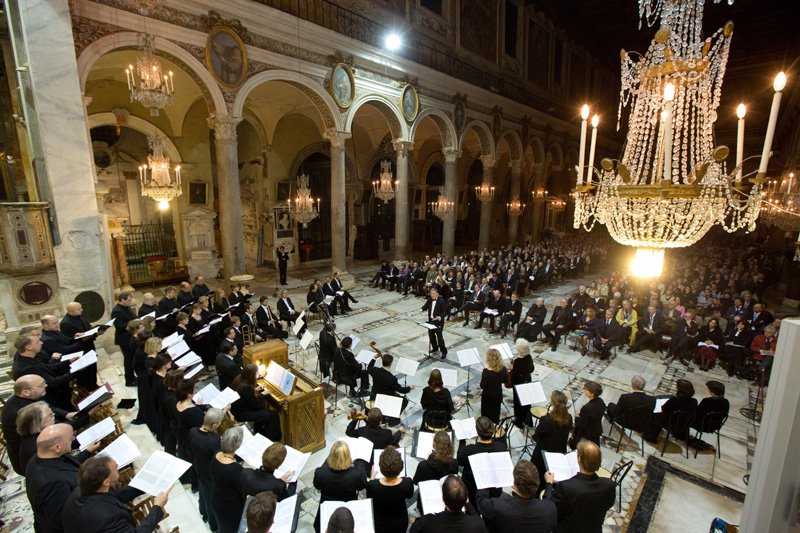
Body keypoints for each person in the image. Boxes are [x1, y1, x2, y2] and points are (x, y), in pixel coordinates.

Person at [61, 455, 170, 533]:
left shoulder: (81, 490)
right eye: (116, 468)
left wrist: (146, 484)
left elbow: (115, 495)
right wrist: (157, 507)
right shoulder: (109, 518)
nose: (118, 468)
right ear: (106, 482)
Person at [25, 424, 93, 532]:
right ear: (57, 447)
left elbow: (70, 466)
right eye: (71, 438)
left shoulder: (43, 455)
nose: (74, 439)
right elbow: (64, 520)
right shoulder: (51, 483)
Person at [543, 439, 615, 532]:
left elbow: (549, 509)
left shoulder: (566, 487)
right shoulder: (608, 485)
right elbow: (608, 504)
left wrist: (549, 483)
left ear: (579, 459)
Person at [476, 460, 558, 533]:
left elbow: (481, 503)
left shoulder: (498, 506)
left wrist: (486, 479)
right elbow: (548, 501)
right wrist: (549, 484)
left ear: (514, 484)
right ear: (538, 482)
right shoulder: (550, 508)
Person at [313, 441, 368, 532]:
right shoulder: (355, 474)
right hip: (348, 508)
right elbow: (362, 485)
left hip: (327, 504)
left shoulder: (320, 473)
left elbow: (317, 486)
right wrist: (359, 463)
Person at [12, 334, 77, 412]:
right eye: (37, 342)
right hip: (51, 399)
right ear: (28, 347)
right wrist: (75, 371)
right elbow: (53, 383)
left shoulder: (27, 357)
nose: (41, 343)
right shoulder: (27, 368)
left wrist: (69, 361)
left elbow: (48, 367)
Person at [458, 416, 508, 505]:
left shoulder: (470, 450)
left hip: (472, 488)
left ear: (477, 432)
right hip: (494, 489)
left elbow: (460, 461)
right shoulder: (502, 447)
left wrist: (462, 441)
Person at [410, 475, 487, 532]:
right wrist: (468, 504)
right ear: (466, 498)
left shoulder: (428, 521)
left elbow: (413, 530)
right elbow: (477, 518)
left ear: (443, 498)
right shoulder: (477, 524)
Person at [189, 408, 223, 530]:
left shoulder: (193, 431)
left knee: (203, 491)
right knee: (211, 497)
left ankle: (203, 512)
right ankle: (214, 525)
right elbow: (218, 459)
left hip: (198, 466)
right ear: (214, 425)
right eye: (219, 423)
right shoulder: (214, 440)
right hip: (209, 472)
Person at [531, 390, 573, 490]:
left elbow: (537, 434)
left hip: (543, 453)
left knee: (538, 475)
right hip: (559, 451)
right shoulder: (569, 418)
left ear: (552, 403)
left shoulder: (547, 420)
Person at [367, 446, 414, 533]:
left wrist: (372, 477)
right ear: (401, 467)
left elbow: (369, 498)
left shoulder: (373, 485)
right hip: (400, 522)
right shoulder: (407, 483)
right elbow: (410, 495)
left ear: (380, 468)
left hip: (379, 523)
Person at [231, 364, 282, 441]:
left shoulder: (239, 379)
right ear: (252, 375)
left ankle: (260, 433)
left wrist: (254, 390)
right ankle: (272, 439)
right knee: (272, 415)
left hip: (237, 409)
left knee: (264, 412)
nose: (258, 374)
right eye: (257, 373)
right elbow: (255, 405)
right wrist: (262, 394)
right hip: (242, 413)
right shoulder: (246, 387)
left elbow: (245, 395)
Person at [211, 427, 246, 533]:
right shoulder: (235, 468)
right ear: (237, 445)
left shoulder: (216, 455)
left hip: (217, 500)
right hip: (231, 508)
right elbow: (242, 490)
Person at [644, 378, 698, 443]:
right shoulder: (694, 401)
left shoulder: (674, 400)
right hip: (683, 424)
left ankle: (649, 436)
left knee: (653, 413)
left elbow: (664, 408)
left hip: (671, 423)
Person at [16, 401, 56, 474]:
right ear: (37, 424)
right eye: (50, 415)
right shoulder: (40, 444)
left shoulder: (36, 434)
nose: (54, 415)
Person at [111, 292, 137, 386]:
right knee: (128, 360)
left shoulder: (126, 307)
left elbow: (133, 317)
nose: (130, 302)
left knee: (131, 359)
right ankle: (129, 381)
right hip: (124, 339)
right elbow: (119, 326)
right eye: (129, 300)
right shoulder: (117, 311)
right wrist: (132, 322)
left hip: (130, 337)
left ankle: (133, 377)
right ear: (122, 300)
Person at [508, 339, 534, 428]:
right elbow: (532, 369)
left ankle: (519, 422)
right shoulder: (529, 357)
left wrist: (511, 368)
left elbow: (515, 377)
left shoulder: (518, 361)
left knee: (518, 404)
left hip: (519, 385)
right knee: (527, 403)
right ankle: (528, 421)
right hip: (527, 381)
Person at [571, 381, 605, 447]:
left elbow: (581, 424)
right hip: (596, 430)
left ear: (592, 394)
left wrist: (576, 417)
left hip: (587, 434)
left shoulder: (586, 408)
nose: (584, 390)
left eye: (586, 390)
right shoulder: (600, 401)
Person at [480, 348, 507, 423]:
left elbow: (482, 385)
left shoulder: (486, 371)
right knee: (496, 412)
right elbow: (505, 381)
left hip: (487, 396)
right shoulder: (503, 369)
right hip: (497, 394)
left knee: (486, 414)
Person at [421, 287, 447, 358]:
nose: (432, 295)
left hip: (438, 322)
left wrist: (439, 317)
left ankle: (444, 351)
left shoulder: (441, 301)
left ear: (437, 293)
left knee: (440, 338)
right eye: (431, 294)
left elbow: (445, 312)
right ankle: (435, 348)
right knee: (431, 336)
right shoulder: (430, 299)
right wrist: (421, 309)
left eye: (433, 294)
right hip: (430, 321)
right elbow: (425, 306)